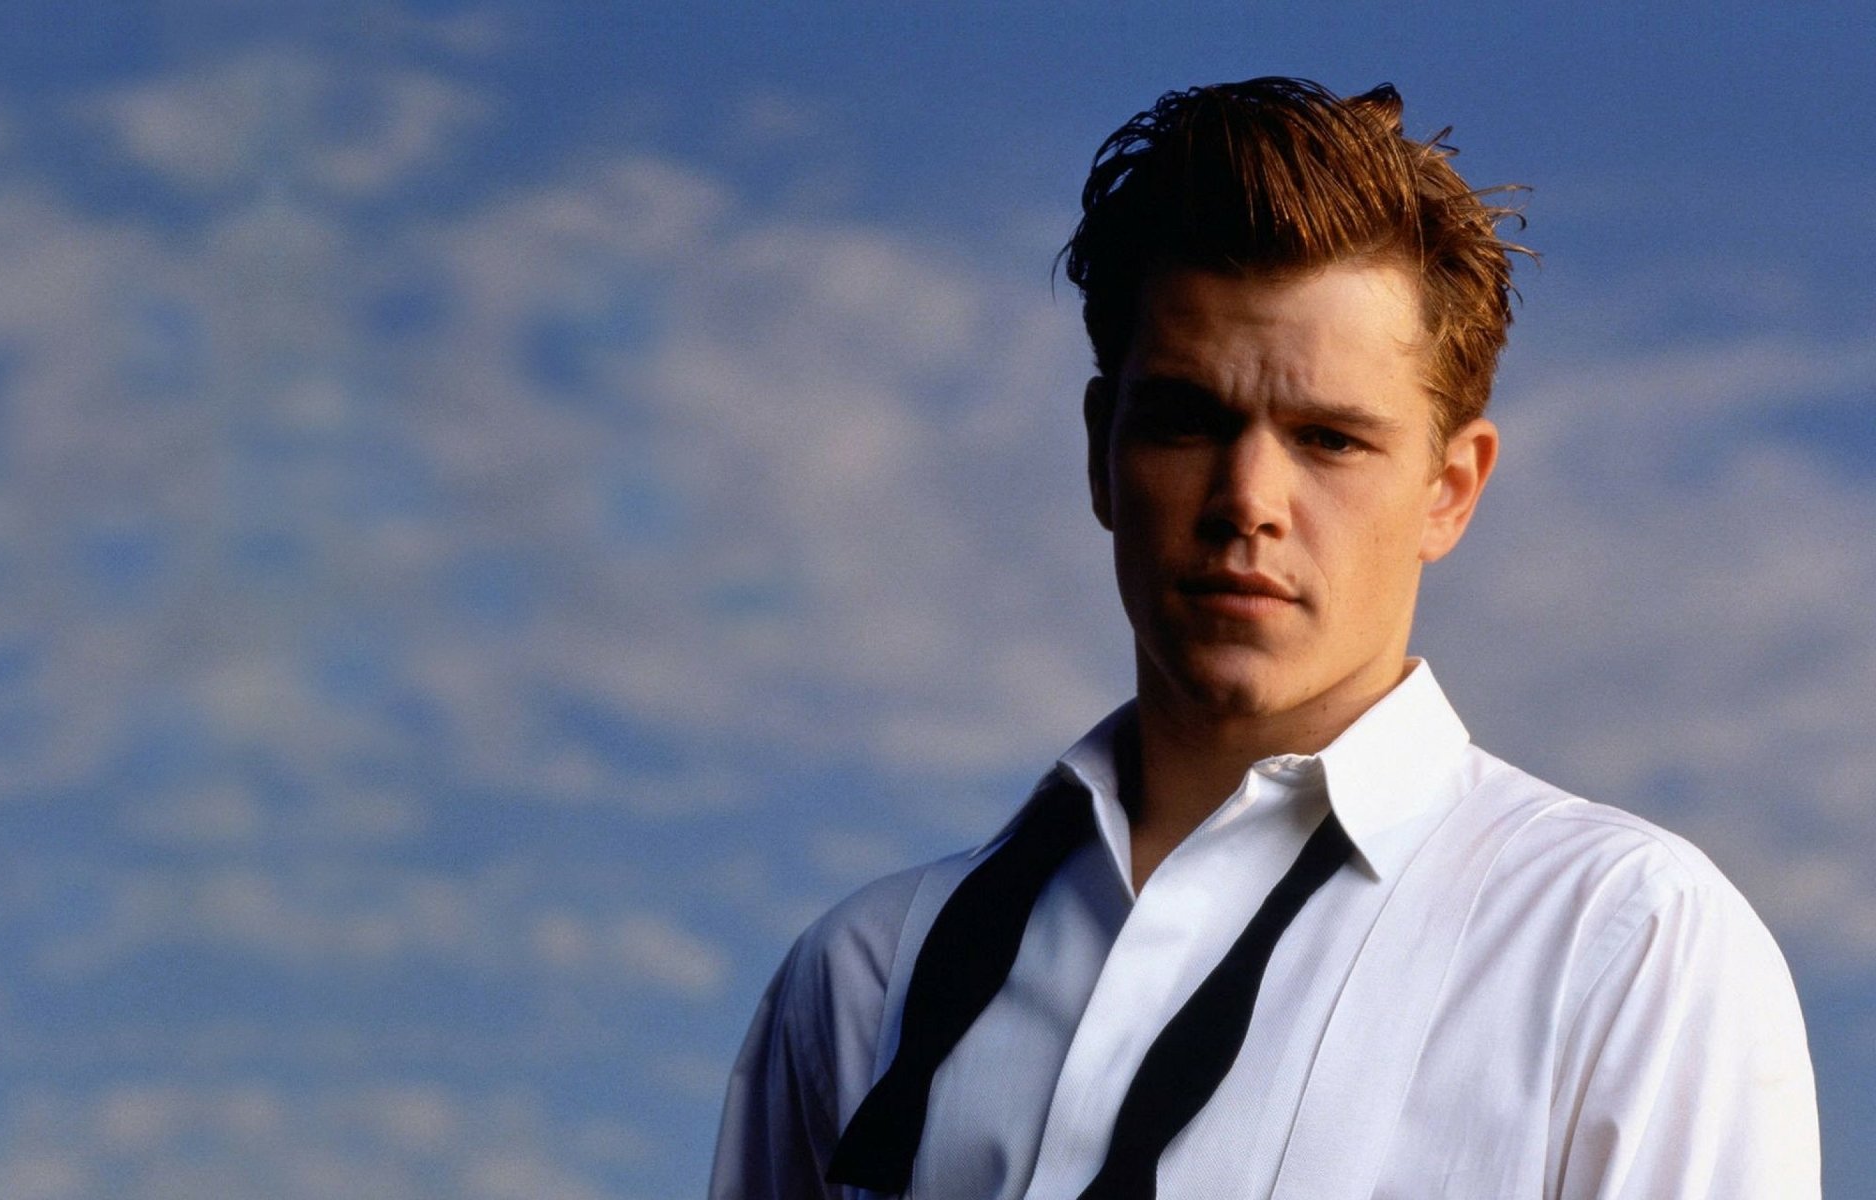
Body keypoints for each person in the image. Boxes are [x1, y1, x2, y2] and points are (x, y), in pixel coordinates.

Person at [709, 77, 1819, 1199]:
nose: (1249, 498)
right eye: (1189, 419)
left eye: (1330, 439)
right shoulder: (862, 979)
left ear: (1450, 488)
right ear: (1103, 451)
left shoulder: (1623, 949)